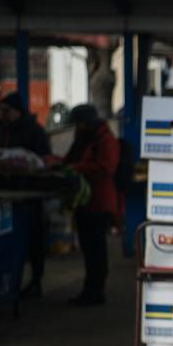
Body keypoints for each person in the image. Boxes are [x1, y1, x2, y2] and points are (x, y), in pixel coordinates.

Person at [0, 92, 52, 298]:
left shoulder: (35, 131)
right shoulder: (1, 130)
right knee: (10, 241)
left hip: (29, 194)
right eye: (0, 111)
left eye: (6, 111)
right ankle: (8, 283)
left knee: (34, 239)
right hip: (6, 194)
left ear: (18, 111)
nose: (2, 115)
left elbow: (44, 159)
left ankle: (35, 281)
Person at [63, 104, 119, 306]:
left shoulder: (104, 139)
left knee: (96, 249)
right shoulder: (84, 139)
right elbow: (70, 159)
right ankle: (90, 289)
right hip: (85, 203)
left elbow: (106, 167)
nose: (77, 128)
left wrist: (77, 168)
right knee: (89, 249)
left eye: (79, 123)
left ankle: (96, 290)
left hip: (99, 202)